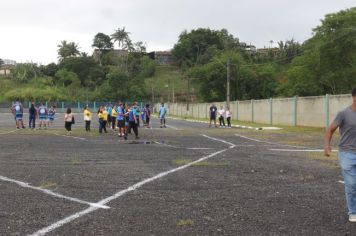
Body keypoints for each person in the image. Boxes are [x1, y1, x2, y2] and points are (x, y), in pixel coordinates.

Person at [325, 88, 356, 222]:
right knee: (351, 184)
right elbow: (331, 129)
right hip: (347, 153)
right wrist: (327, 145)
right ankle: (353, 212)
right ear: (354, 97)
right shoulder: (343, 113)